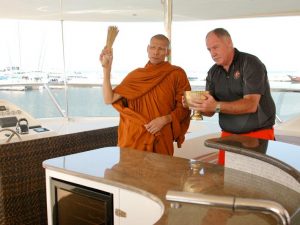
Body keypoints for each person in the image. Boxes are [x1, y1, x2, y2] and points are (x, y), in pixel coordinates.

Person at [187, 28, 276, 165]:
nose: (213, 53)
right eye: (209, 50)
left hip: (257, 135)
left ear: (229, 42)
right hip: (227, 136)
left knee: (253, 183)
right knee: (227, 182)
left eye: (215, 47)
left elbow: (251, 105)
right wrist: (195, 104)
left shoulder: (250, 63)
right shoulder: (213, 72)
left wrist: (215, 106)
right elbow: (210, 111)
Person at [99, 34, 191, 155]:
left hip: (161, 135)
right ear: (147, 49)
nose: (156, 52)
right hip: (133, 137)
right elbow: (108, 99)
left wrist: (165, 119)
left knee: (160, 173)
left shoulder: (177, 74)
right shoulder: (136, 76)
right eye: (153, 47)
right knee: (130, 173)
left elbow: (186, 106)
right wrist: (107, 69)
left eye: (161, 49)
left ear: (167, 52)